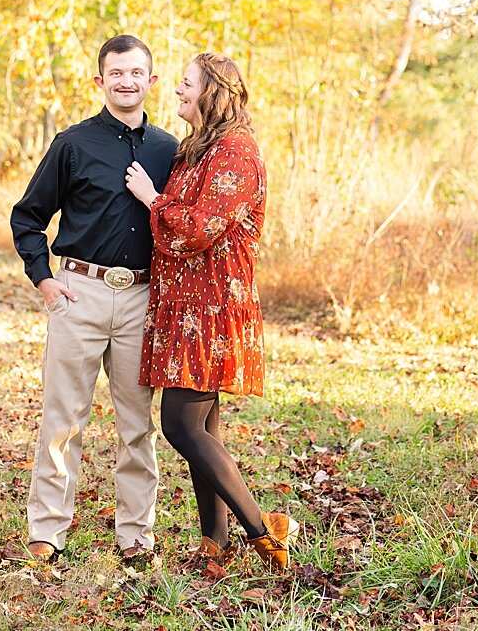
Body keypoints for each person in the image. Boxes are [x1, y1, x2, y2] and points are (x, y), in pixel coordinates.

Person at [10, 33, 178, 571]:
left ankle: (136, 535)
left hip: (142, 299)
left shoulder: (170, 150)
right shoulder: (72, 144)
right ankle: (47, 530)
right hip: (79, 293)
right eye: (116, 73)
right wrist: (44, 280)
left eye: (136, 73)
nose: (126, 81)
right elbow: (28, 216)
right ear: (100, 80)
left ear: (151, 80)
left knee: (137, 425)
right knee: (63, 417)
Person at [123, 51, 294, 573]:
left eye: (187, 84)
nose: (177, 90)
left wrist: (153, 200)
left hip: (214, 306)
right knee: (204, 425)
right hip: (183, 304)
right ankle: (213, 541)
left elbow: (202, 227)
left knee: (180, 424)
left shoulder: (237, 151)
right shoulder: (195, 150)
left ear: (213, 92)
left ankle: (264, 531)